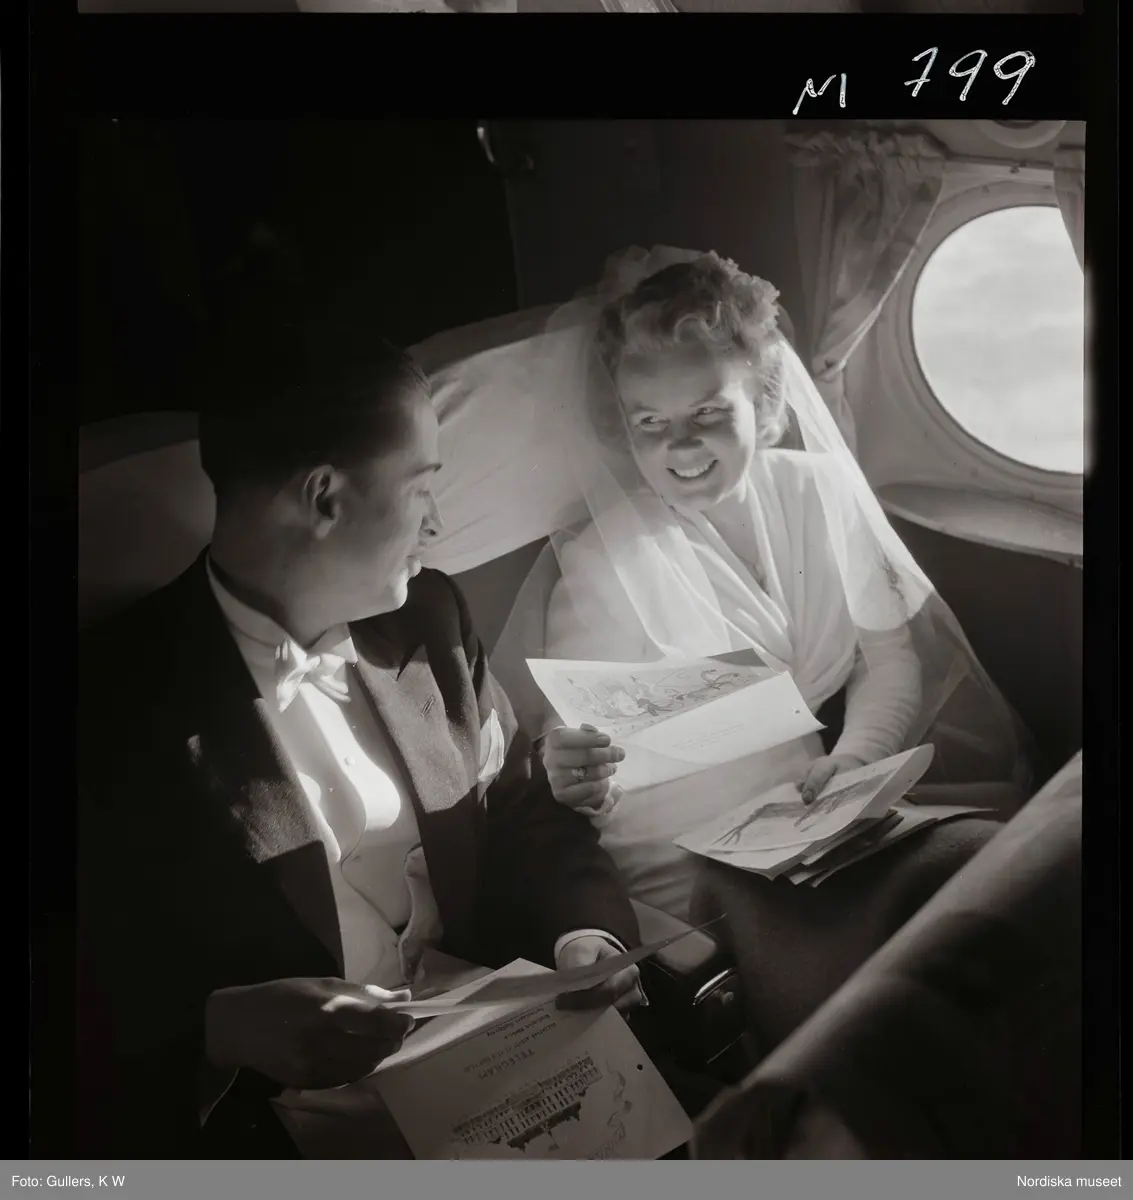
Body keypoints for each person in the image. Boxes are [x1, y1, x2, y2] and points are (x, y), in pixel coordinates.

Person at [77, 320, 644, 1157]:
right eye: (421, 489)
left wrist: (581, 935)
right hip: (289, 1128)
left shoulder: (431, 619)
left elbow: (519, 807)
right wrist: (215, 1029)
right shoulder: (107, 706)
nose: (437, 523)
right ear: (324, 499)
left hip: (500, 1054)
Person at [490, 246, 1030, 923]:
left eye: (708, 412)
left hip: (814, 814)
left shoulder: (822, 491)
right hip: (678, 853)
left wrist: (855, 760)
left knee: (995, 870)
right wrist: (574, 772)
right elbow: (582, 745)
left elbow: (886, 657)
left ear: (765, 405)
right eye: (649, 422)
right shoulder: (607, 558)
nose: (680, 445)